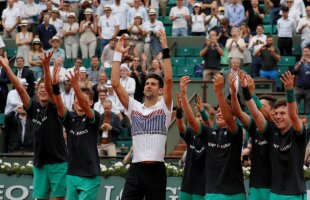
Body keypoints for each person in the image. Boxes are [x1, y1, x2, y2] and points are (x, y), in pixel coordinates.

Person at [112, 31, 173, 200]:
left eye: (153, 84)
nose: (148, 86)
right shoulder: (134, 107)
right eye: (147, 83)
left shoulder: (165, 107)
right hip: (136, 169)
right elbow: (116, 84)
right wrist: (117, 54)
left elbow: (168, 79)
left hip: (157, 171)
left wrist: (165, 48)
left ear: (159, 90)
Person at [0, 52, 68, 200]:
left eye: (45, 87)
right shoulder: (33, 107)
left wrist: (45, 67)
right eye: (40, 88)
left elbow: (51, 90)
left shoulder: (55, 106)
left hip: (58, 162)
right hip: (40, 164)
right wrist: (7, 69)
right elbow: (19, 88)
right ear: (36, 92)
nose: (43, 89)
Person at [243, 70, 308, 200]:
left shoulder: (297, 133)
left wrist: (289, 91)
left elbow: (294, 115)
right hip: (274, 194)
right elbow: (256, 114)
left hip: (294, 194)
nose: (278, 116)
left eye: (282, 113)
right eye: (276, 113)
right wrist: (247, 91)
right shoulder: (271, 132)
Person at [181, 74, 246, 200]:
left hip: (235, 194)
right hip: (213, 194)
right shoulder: (209, 133)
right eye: (218, 111)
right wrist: (184, 96)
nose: (219, 113)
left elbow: (228, 119)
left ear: (234, 117)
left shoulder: (236, 132)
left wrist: (218, 92)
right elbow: (192, 121)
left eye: (223, 111)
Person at [49, 62, 101, 200]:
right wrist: (55, 87)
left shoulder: (94, 117)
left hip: (90, 175)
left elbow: (84, 105)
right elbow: (59, 105)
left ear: (90, 102)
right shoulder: (69, 118)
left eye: (83, 99)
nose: (79, 102)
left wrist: (75, 86)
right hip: (72, 173)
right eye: (76, 99)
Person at [230, 71, 272, 200]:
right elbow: (237, 112)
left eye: (262, 106)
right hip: (255, 184)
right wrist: (233, 92)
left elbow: (262, 114)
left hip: (273, 186)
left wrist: (251, 94)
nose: (257, 108)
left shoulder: (275, 127)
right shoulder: (254, 126)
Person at [176, 92, 207, 200]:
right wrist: (179, 112)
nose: (200, 118)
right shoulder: (191, 133)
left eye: (202, 115)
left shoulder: (212, 134)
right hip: (187, 186)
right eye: (198, 116)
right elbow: (181, 127)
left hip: (203, 188)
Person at [292, 46, 310, 115]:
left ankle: (306, 125)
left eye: (307, 51)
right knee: (294, 108)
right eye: (304, 52)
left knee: (307, 111)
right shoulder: (299, 63)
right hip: (298, 89)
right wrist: (300, 62)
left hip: (309, 90)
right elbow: (293, 71)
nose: (305, 53)